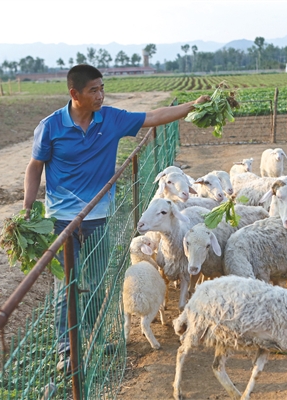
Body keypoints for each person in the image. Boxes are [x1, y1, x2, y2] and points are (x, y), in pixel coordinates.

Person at [22, 64, 209, 372]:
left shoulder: (110, 119)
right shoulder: (51, 126)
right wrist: (29, 204)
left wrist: (191, 107)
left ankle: (90, 339)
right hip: (61, 223)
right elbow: (35, 166)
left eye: (102, 88)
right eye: (93, 90)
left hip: (97, 218)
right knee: (66, 287)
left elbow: (153, 117)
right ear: (75, 93)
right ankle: (65, 351)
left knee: (95, 284)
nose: (100, 95)